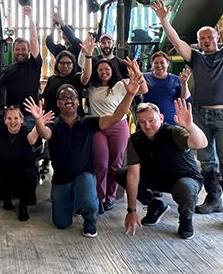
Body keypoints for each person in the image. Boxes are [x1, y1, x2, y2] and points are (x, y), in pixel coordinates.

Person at [153, 0, 223, 235]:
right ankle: (214, 200)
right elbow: (176, 42)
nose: (207, 41)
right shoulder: (196, 58)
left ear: (218, 37)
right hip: (200, 115)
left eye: (210, 37)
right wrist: (165, 21)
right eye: (202, 39)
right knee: (207, 161)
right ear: (198, 43)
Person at [30, 61, 144, 238]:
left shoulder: (89, 123)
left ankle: (90, 220)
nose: (69, 100)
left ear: (78, 101)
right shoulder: (54, 126)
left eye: (72, 97)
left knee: (90, 201)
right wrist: (38, 119)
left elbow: (115, 117)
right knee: (62, 223)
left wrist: (129, 95)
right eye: (64, 98)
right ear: (58, 103)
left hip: (84, 176)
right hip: (61, 181)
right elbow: (44, 134)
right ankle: (75, 201)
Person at [119, 100, 207, 239]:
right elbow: (133, 175)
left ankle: (186, 220)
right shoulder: (135, 139)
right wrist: (132, 210)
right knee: (122, 174)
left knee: (186, 187)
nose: (147, 126)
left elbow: (200, 143)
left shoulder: (174, 132)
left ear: (161, 118)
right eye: (142, 122)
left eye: (151, 120)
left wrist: (190, 126)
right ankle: (155, 205)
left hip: (183, 177)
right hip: (157, 176)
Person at [0, 101, 53, 221]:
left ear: (21, 120)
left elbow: (31, 139)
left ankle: (23, 205)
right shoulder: (1, 128)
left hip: (24, 170)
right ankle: (7, 197)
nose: (12, 122)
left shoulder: (25, 131)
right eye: (9, 118)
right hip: (5, 169)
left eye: (16, 118)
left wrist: (38, 121)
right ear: (5, 120)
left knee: (29, 177)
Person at [87, 58, 148, 213]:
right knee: (101, 163)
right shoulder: (91, 87)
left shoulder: (120, 85)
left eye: (107, 69)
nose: (104, 72)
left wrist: (136, 70)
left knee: (116, 163)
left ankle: (110, 197)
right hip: (99, 126)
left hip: (119, 126)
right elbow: (84, 74)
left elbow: (143, 89)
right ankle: (99, 197)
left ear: (112, 70)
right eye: (100, 69)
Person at [1, 5, 42, 126]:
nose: (20, 52)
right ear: (13, 51)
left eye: (23, 49)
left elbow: (34, 40)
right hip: (13, 118)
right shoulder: (8, 70)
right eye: (17, 49)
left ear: (29, 50)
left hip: (30, 117)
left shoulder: (34, 65)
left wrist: (30, 17)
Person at [42, 34, 95, 117]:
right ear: (57, 64)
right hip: (54, 121)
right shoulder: (52, 79)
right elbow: (46, 101)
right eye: (62, 63)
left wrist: (88, 55)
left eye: (68, 63)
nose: (65, 66)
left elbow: (86, 77)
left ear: (73, 65)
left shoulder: (77, 78)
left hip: (75, 122)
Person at [142, 51, 191, 125]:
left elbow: (184, 98)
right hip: (148, 121)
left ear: (168, 64)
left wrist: (184, 84)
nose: (159, 65)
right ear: (152, 65)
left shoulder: (176, 79)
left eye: (162, 62)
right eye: (156, 63)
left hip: (171, 120)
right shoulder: (144, 78)